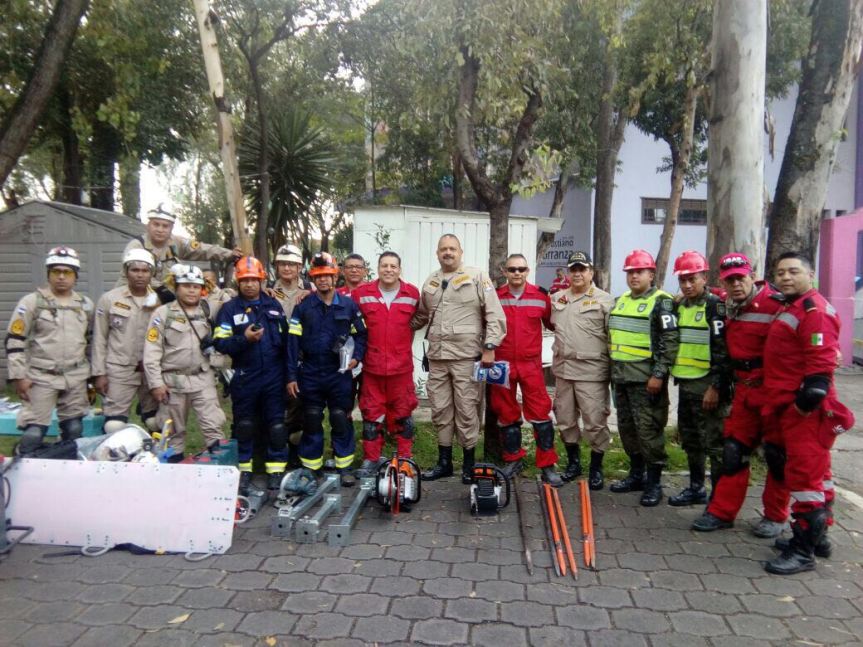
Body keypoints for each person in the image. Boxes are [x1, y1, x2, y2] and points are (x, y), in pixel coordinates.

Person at [762, 252, 853, 575]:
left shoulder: (814, 312)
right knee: (819, 476)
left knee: (805, 480)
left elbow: (818, 376)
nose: (785, 277)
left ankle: (803, 552)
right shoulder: (792, 306)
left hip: (806, 411)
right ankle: (819, 537)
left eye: (793, 271)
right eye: (780, 272)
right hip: (789, 408)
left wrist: (801, 408)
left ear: (810, 275)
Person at [692, 253, 791, 536]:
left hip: (773, 392)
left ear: (752, 275)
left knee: (776, 456)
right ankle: (723, 512)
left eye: (741, 278)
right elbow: (702, 293)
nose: (736, 284)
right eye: (730, 279)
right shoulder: (726, 302)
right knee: (733, 452)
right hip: (744, 392)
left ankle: (775, 516)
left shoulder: (777, 303)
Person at [412, 234, 506, 484]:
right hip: (437, 358)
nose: (448, 253)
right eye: (443, 249)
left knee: (466, 410)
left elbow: (494, 314)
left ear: (460, 252)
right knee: (440, 410)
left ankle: (468, 464)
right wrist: (395, 326)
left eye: (452, 248)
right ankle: (444, 462)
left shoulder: (477, 277)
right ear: (437, 253)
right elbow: (421, 316)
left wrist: (489, 346)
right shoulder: (431, 281)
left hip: (466, 357)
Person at [287, 252, 368, 486]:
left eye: (328, 275)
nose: (323, 280)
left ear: (335, 276)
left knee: (340, 417)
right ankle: (312, 467)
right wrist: (291, 376)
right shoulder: (303, 307)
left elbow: (361, 334)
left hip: (339, 374)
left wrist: (356, 358)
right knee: (311, 418)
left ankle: (345, 466)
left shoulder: (349, 305)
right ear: (313, 278)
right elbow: (292, 344)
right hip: (310, 372)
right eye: (318, 276)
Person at [5, 247, 94, 454]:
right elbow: (15, 340)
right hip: (40, 376)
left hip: (75, 377)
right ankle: (23, 468)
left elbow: (90, 342)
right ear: (48, 274)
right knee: (34, 432)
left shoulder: (85, 305)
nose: (62, 277)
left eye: (68, 272)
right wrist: (19, 376)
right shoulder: (31, 302)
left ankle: (65, 472)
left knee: (74, 429)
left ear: (75, 276)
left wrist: (91, 377)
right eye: (56, 271)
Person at [607, 249, 678, 506]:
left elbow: (670, 342)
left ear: (651, 274)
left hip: (646, 381)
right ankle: (636, 474)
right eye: (630, 272)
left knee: (648, 431)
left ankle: (654, 482)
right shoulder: (621, 300)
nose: (634, 276)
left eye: (639, 272)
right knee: (627, 429)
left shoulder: (662, 302)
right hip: (622, 378)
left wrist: (659, 374)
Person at [214, 256, 290, 492]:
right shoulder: (228, 310)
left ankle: (275, 470)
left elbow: (287, 341)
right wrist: (243, 339)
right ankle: (244, 470)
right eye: (244, 280)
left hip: (274, 377)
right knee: (244, 425)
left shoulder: (273, 305)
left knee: (277, 425)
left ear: (261, 281)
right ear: (238, 281)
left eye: (253, 280)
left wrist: (289, 374)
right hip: (245, 377)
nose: (249, 285)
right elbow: (220, 343)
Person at [666, 251, 732, 505]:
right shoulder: (681, 305)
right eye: (682, 280)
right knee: (691, 441)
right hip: (686, 385)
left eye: (692, 279)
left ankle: (719, 499)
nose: (687, 285)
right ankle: (696, 488)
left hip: (708, 387)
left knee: (715, 444)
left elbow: (723, 351)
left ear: (704, 277)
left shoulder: (715, 306)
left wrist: (716, 387)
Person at [491, 253, 561, 486]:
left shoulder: (541, 297)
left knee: (541, 413)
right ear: (505, 272)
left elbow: (554, 323)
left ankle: (548, 465)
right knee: (505, 412)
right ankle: (513, 460)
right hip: (501, 363)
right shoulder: (495, 296)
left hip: (531, 364)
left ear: (528, 271)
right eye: (512, 269)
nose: (517, 273)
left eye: (521, 269)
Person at [142, 265, 226, 461]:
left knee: (214, 428)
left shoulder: (208, 308)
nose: (191, 290)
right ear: (176, 287)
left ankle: (217, 478)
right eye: (186, 285)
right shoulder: (162, 314)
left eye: (196, 286)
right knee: (172, 433)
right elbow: (151, 350)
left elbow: (235, 299)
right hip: (173, 383)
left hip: (202, 378)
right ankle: (173, 476)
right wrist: (155, 383)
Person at [550, 251, 615, 489]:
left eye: (582, 269)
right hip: (564, 372)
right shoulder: (557, 298)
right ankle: (574, 464)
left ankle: (596, 468)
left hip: (592, 373)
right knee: (565, 420)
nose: (577, 274)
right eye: (573, 269)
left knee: (595, 422)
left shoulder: (605, 300)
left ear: (591, 272)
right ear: (568, 273)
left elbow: (613, 338)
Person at [352, 252, 420, 477]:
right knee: (372, 417)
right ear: (378, 268)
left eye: (393, 266)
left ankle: (405, 458)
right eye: (384, 265)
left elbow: (421, 319)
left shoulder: (412, 294)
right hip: (372, 367)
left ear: (399, 269)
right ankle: (371, 459)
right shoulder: (362, 294)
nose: (389, 269)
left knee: (404, 415)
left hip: (401, 368)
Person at [92, 248, 160, 434]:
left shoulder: (160, 300)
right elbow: (99, 338)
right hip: (119, 368)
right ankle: (115, 458)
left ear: (151, 273)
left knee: (156, 422)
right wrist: (99, 373)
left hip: (150, 370)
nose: (140, 275)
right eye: (135, 270)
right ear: (126, 271)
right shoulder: (109, 300)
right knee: (114, 425)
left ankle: (156, 459)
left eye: (145, 271)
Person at [122, 206, 240, 302]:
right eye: (156, 224)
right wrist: (163, 289)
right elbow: (134, 275)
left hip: (165, 296)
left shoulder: (176, 242)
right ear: (148, 226)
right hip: (134, 295)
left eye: (165, 226)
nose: (160, 229)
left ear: (171, 228)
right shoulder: (137, 246)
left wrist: (230, 254)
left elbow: (202, 249)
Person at [272, 244, 310, 467]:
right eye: (282, 264)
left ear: (299, 267)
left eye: (291, 264)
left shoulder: (311, 290)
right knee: (276, 404)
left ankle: (296, 453)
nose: (287, 268)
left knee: (299, 404)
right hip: (275, 356)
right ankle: (275, 451)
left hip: (302, 356)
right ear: (277, 267)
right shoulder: (266, 290)